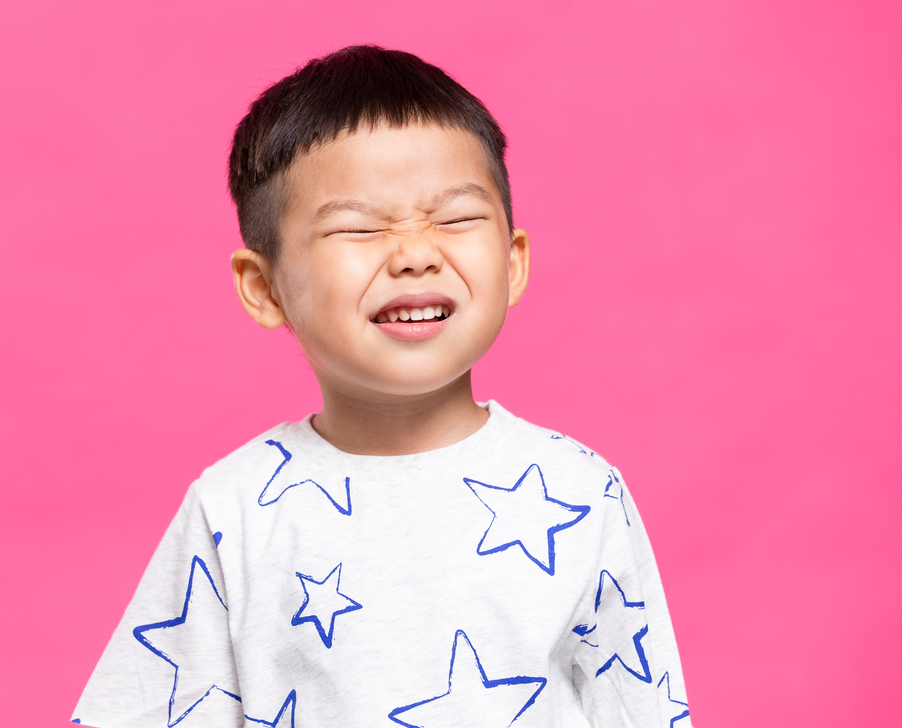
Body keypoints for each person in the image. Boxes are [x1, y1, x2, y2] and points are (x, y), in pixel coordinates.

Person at [73, 45, 691, 728]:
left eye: (456, 219)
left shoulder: (581, 492)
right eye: (359, 228)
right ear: (264, 286)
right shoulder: (234, 511)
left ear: (513, 262)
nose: (415, 253)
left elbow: (645, 710)